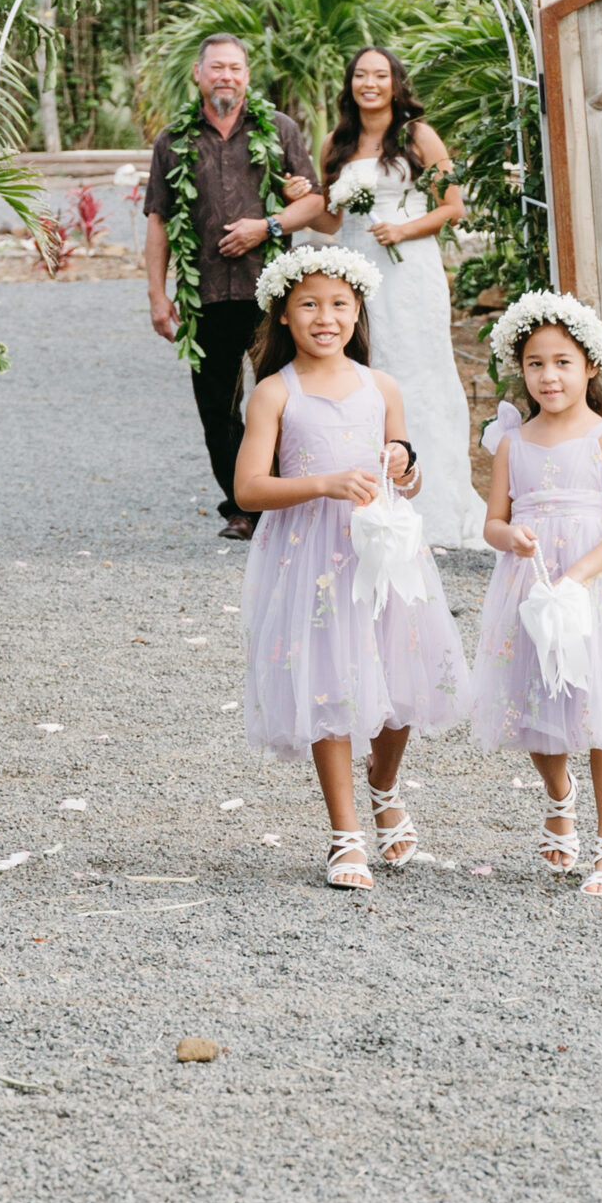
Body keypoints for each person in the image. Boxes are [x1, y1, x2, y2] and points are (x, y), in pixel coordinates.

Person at [234, 247, 472, 890]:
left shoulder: (381, 386)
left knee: (401, 680)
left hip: (386, 552)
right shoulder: (274, 394)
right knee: (330, 683)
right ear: (283, 313)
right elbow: (250, 489)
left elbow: (408, 478)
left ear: (359, 309)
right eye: (309, 303)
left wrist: (406, 465)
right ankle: (346, 836)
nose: (325, 317)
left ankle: (384, 780)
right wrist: (322, 483)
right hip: (314, 557)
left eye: (339, 304)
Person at [465, 291, 602, 899]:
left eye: (562, 362)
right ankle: (559, 791)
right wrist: (509, 534)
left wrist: (580, 574)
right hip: (532, 583)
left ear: (589, 366)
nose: (548, 375)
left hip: (599, 586)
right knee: (537, 704)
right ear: (521, 370)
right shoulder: (513, 441)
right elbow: (491, 522)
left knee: (600, 709)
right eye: (535, 363)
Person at [293, 46, 486, 549]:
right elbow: (332, 220)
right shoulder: (337, 141)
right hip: (356, 270)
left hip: (410, 272)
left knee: (418, 374)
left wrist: (404, 230)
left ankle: (434, 502)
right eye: (361, 75)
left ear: (396, 83)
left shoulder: (417, 135)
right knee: (365, 369)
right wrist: (302, 203)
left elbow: (454, 205)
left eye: (380, 75)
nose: (370, 83)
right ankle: (366, 496)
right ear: (350, 83)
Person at [143, 33, 324, 538]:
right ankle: (243, 506)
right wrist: (158, 296)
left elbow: (312, 203)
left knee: (283, 398)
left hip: (270, 293)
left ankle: (291, 497)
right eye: (216, 67)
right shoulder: (172, 140)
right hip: (203, 298)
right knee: (218, 407)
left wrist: (264, 227)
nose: (226, 75)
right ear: (199, 74)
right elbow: (158, 220)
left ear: (247, 75)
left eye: (235, 68)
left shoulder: (279, 129)